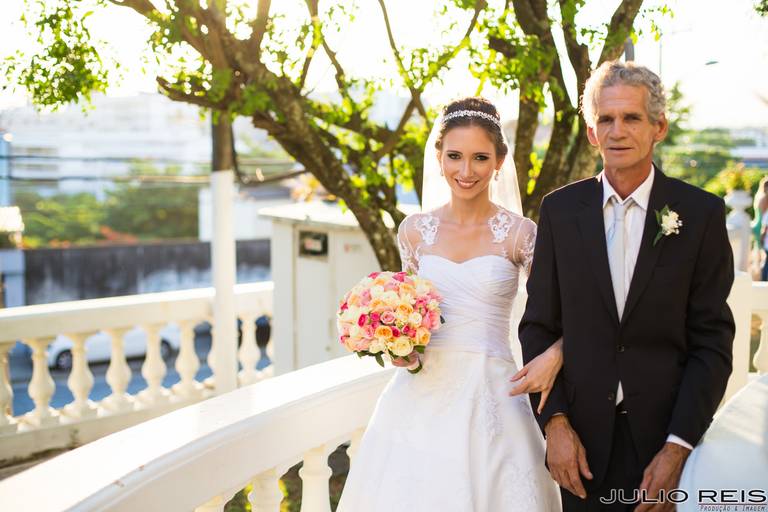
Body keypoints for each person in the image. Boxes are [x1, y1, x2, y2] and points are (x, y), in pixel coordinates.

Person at [520, 61, 735, 512]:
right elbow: (539, 327)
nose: (617, 131)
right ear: (592, 131)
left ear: (659, 126)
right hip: (579, 451)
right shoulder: (559, 211)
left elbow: (711, 342)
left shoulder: (701, 216)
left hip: (663, 445)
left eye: (631, 118)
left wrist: (678, 447)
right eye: (605, 119)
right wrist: (555, 425)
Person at [336, 97, 562, 511]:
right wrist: (396, 342)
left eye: (480, 158)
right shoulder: (414, 232)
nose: (466, 170)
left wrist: (558, 353)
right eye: (454, 156)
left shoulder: (520, 233)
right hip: (420, 395)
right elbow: (413, 309)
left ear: (498, 162)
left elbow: (560, 311)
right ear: (438, 158)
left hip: (493, 390)